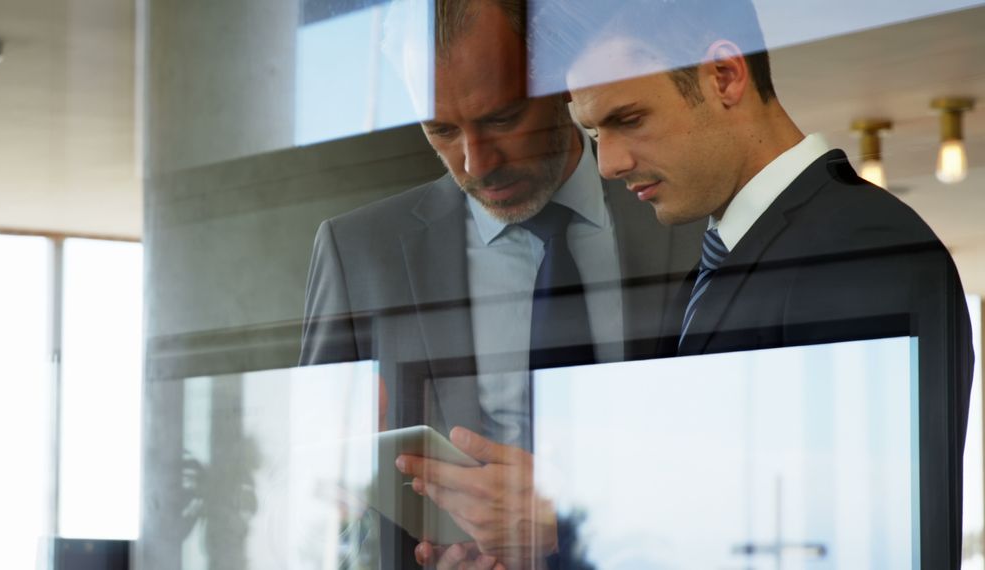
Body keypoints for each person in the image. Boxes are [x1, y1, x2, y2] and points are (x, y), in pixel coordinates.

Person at [545, 0, 974, 566]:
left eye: (628, 119)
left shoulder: (857, 245)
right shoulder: (729, 256)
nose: (609, 164)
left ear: (724, 76)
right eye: (595, 132)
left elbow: (850, 534)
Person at [299, 0, 702, 567]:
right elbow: (314, 495)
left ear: (563, 80)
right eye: (441, 130)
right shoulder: (359, 254)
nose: (476, 161)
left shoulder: (692, 222)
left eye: (501, 118)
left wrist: (561, 524)